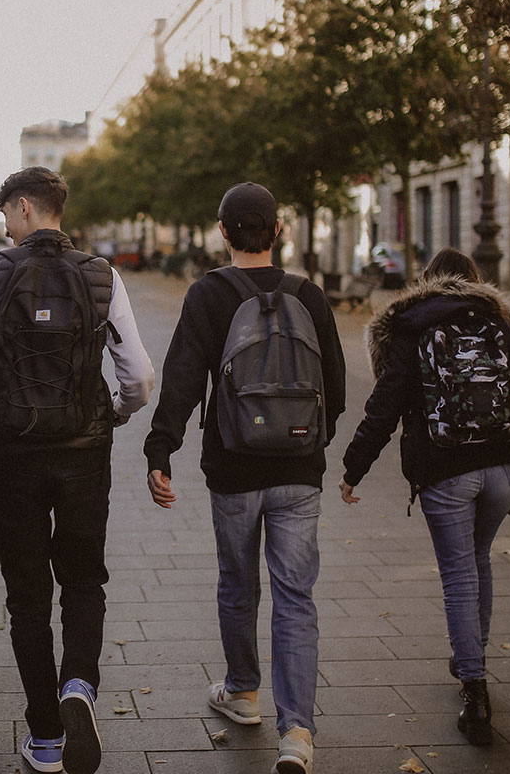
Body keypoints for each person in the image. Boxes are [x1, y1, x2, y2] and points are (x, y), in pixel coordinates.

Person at [0, 166, 155, 774]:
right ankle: (78, 685)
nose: (4, 226)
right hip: (85, 451)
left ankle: (46, 737)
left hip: (14, 457)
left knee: (27, 595)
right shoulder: (101, 275)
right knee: (85, 578)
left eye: (6, 212)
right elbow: (137, 373)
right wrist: (114, 413)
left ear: (26, 207)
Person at [144, 182, 346, 774]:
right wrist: (313, 444)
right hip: (299, 471)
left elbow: (182, 376)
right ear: (279, 231)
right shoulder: (310, 294)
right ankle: (299, 733)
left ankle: (242, 692)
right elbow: (334, 383)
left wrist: (162, 450)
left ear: (224, 232)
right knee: (295, 596)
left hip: (233, 468)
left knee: (238, 586)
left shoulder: (209, 294)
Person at [338, 247, 510, 745]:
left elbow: (384, 406)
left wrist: (355, 468)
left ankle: (475, 691)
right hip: (504, 471)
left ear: (424, 281)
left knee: (459, 574)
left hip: (445, 473)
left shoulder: (410, 326)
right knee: (478, 559)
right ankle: (469, 659)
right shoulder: (497, 322)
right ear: (476, 280)